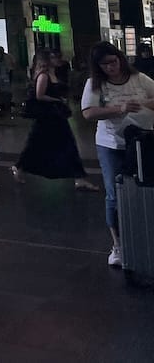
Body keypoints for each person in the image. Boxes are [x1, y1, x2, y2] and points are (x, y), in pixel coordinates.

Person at [80, 40, 154, 268]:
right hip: (111, 143)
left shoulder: (139, 78)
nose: (112, 67)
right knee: (113, 194)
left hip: (142, 140)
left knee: (146, 187)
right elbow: (88, 112)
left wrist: (142, 104)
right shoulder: (95, 84)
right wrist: (118, 109)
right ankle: (118, 245)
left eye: (114, 61)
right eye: (105, 65)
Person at [12, 52, 95, 191]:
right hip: (48, 116)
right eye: (54, 58)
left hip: (54, 116)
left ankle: (21, 167)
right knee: (44, 143)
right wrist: (57, 100)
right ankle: (21, 167)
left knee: (40, 143)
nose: (58, 60)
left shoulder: (53, 74)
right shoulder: (44, 76)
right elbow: (40, 95)